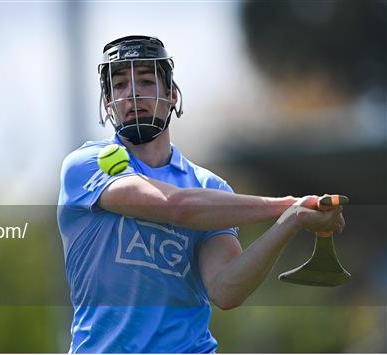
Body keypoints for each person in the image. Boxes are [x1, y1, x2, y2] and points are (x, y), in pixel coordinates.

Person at [57, 35, 345, 353]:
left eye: (146, 80)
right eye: (120, 85)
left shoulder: (210, 187)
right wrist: (287, 204)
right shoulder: (87, 165)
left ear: (173, 96)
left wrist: (291, 220)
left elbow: (225, 291)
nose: (133, 93)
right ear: (108, 102)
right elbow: (175, 207)